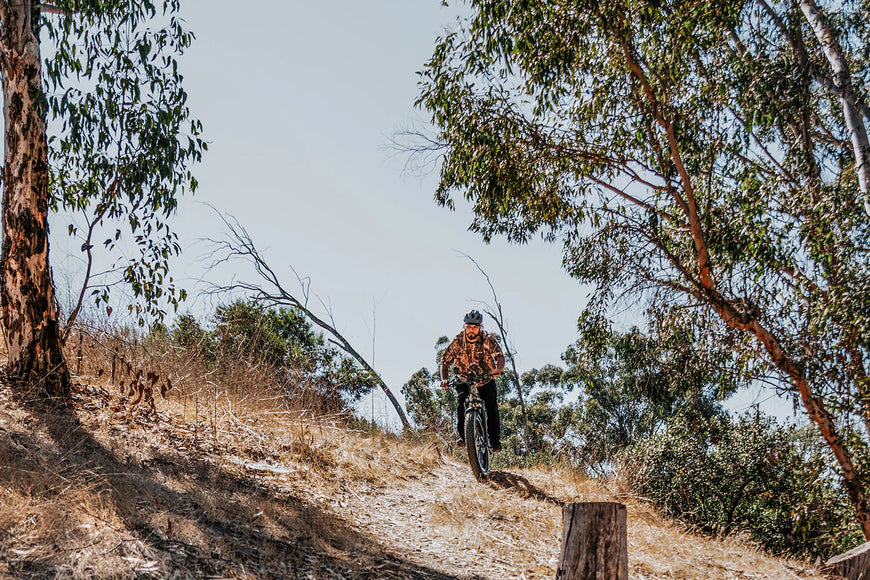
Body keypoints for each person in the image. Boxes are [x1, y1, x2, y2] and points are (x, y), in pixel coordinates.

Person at [440, 310, 505, 452]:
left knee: (492, 407)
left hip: (485, 379)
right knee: (461, 402)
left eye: (475, 327)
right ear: (465, 326)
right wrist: (444, 378)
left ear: (480, 327)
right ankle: (463, 436)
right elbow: (445, 362)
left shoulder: (487, 340)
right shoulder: (457, 342)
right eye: (469, 327)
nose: (472, 330)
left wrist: (497, 370)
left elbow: (500, 357)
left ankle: (495, 441)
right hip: (464, 379)